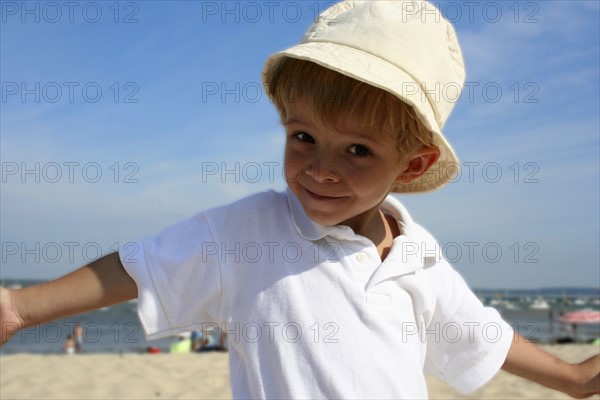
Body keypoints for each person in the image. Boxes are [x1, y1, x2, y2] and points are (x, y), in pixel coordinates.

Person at [0, 1, 598, 399]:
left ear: (411, 164)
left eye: (357, 151)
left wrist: (572, 379)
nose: (319, 168)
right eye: (303, 137)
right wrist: (23, 309)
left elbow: (480, 334)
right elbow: (141, 266)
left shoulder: (419, 254)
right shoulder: (250, 230)